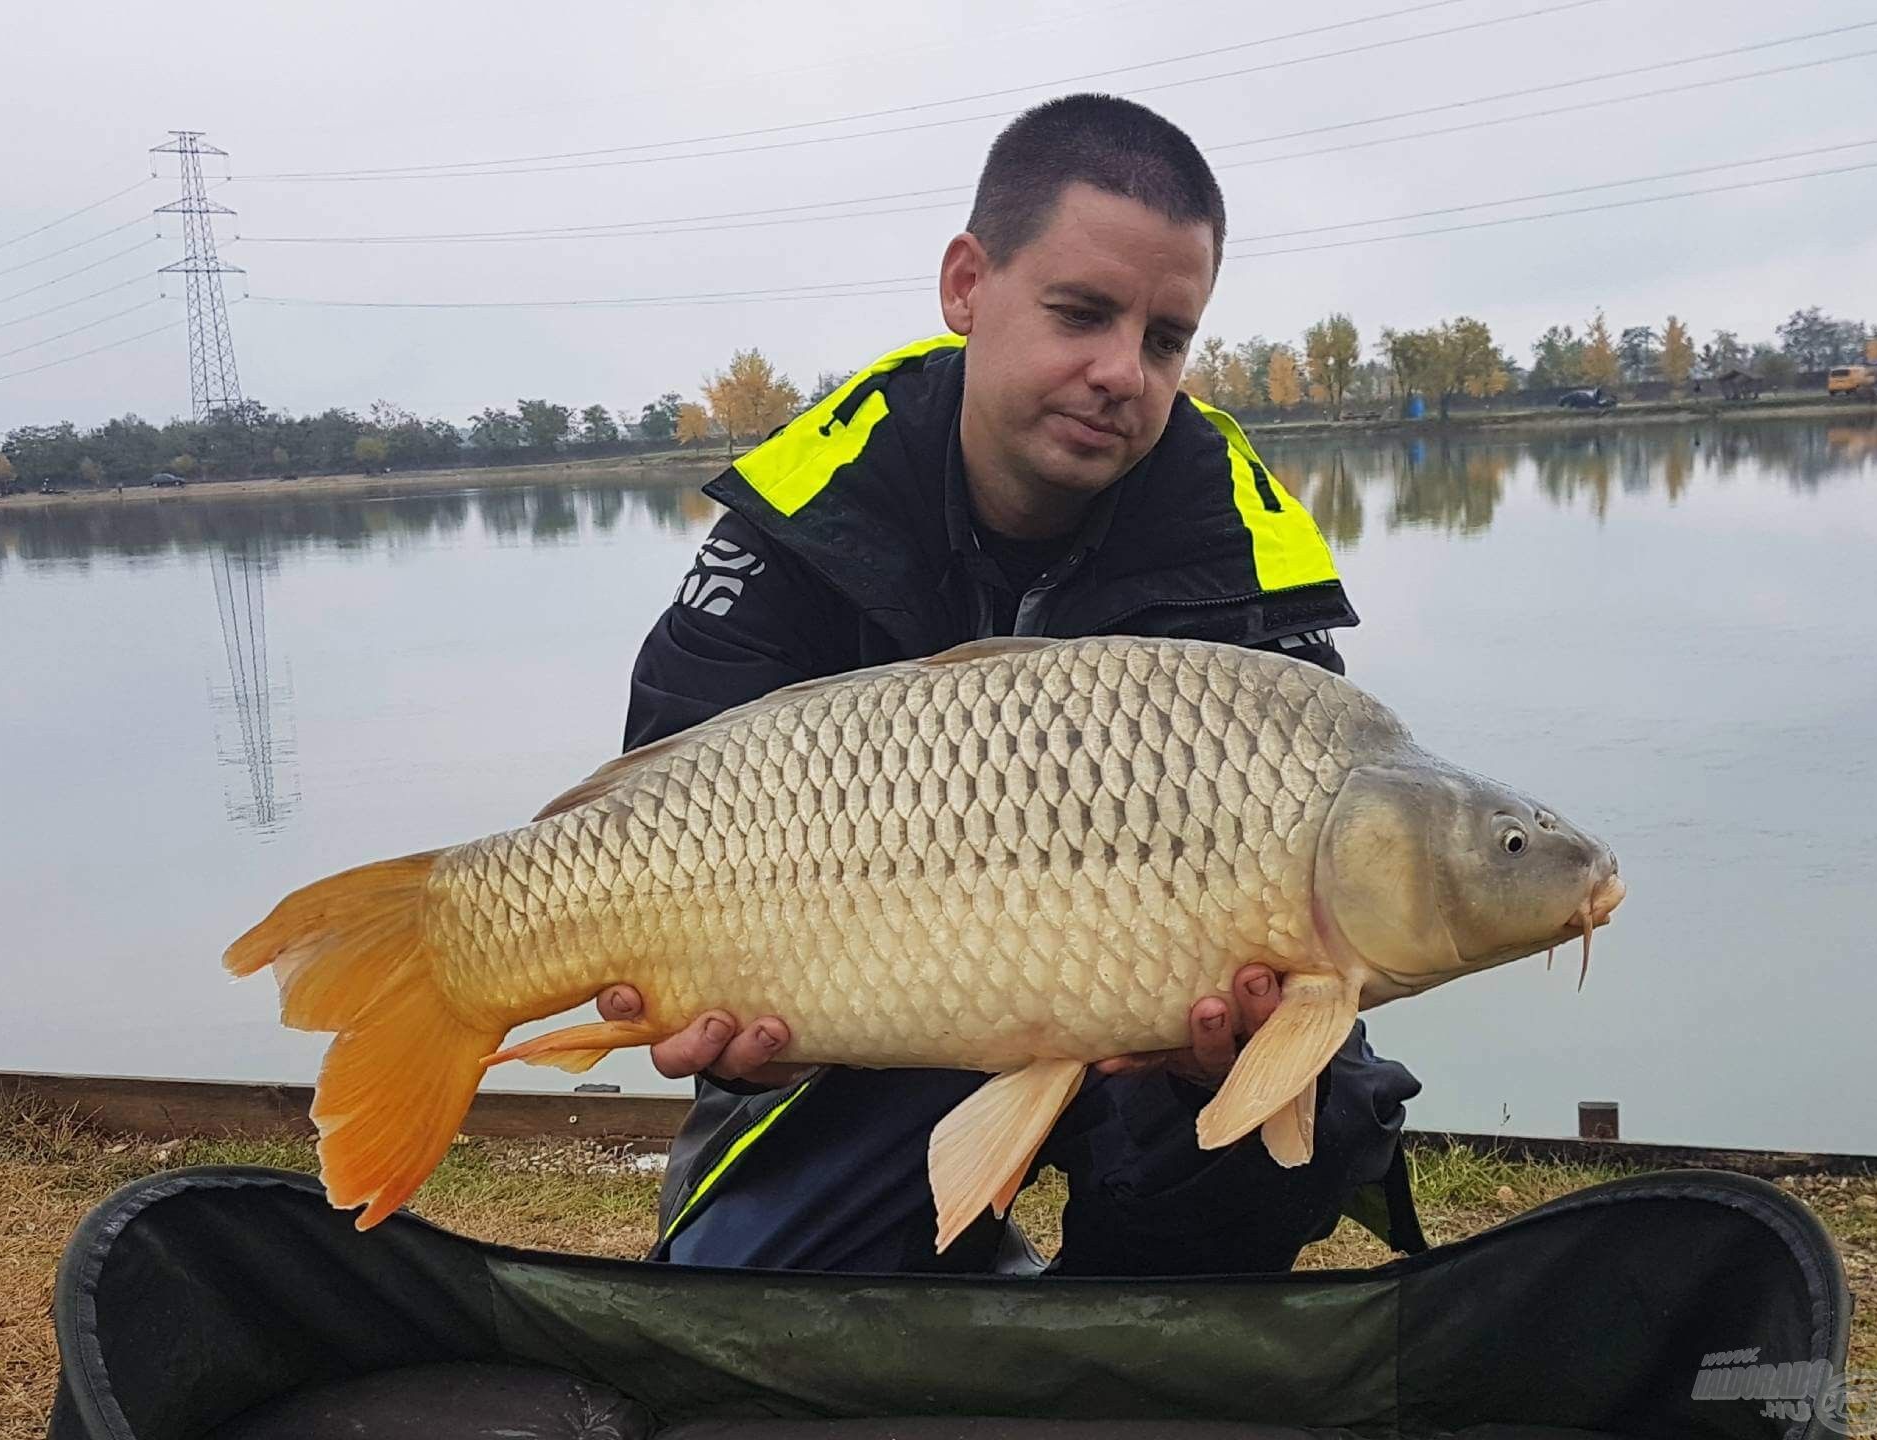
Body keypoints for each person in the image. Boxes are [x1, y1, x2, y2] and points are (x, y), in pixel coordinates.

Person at [596, 94, 1423, 1275]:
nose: (1121, 374)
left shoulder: (1240, 538)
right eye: (1082, 314)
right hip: (864, 1015)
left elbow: (1304, 851)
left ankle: (1118, 1346)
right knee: (752, 1282)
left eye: (1165, 338)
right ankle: (936, 1272)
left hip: (1147, 1029)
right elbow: (665, 804)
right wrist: (725, 1022)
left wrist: (1254, 1028)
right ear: (967, 285)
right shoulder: (806, 501)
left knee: (1309, 1106)